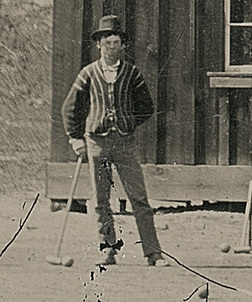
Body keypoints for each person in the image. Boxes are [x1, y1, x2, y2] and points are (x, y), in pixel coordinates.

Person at [61, 15, 168, 267]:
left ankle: (153, 253)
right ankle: (108, 250)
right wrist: (75, 139)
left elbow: (146, 107)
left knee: (139, 199)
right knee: (100, 200)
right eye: (107, 42)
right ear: (99, 44)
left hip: (125, 143)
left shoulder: (132, 74)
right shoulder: (87, 73)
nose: (111, 47)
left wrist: (128, 122)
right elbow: (69, 109)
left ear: (123, 46)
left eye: (116, 42)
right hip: (96, 143)